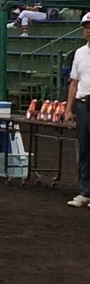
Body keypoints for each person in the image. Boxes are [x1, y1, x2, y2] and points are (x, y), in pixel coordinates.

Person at [65, 12, 90, 207]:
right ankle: (85, 191)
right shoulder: (79, 53)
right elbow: (74, 83)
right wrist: (68, 109)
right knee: (84, 150)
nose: (88, 30)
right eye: (86, 27)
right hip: (83, 105)